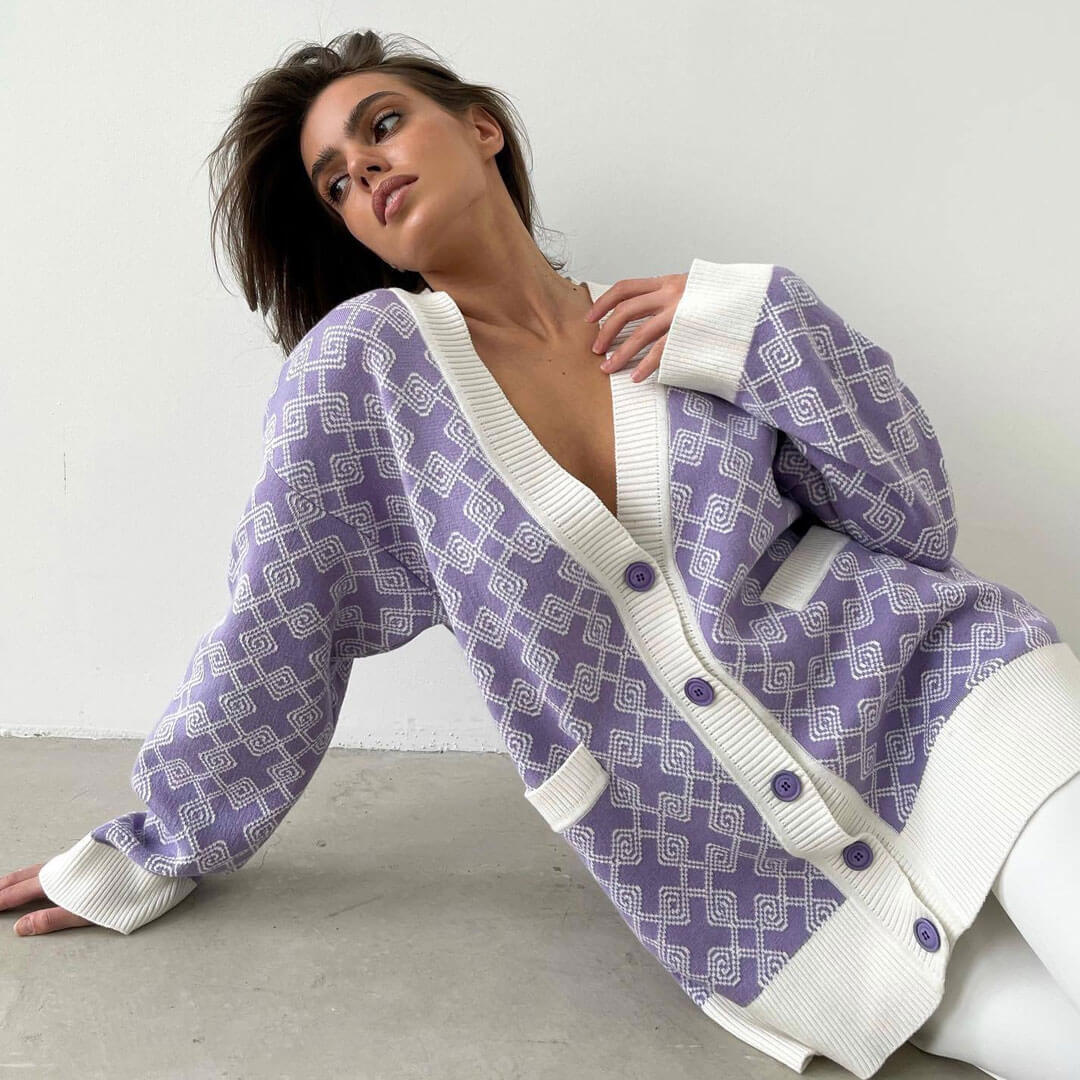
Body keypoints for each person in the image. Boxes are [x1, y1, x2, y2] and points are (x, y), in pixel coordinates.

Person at [3, 28, 1078, 1080]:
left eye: (384, 125)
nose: (363, 169)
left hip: (960, 709)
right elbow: (279, 620)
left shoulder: (685, 327)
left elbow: (910, 523)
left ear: (483, 130)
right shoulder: (368, 375)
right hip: (752, 886)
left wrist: (766, 328)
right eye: (334, 181)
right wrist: (158, 843)